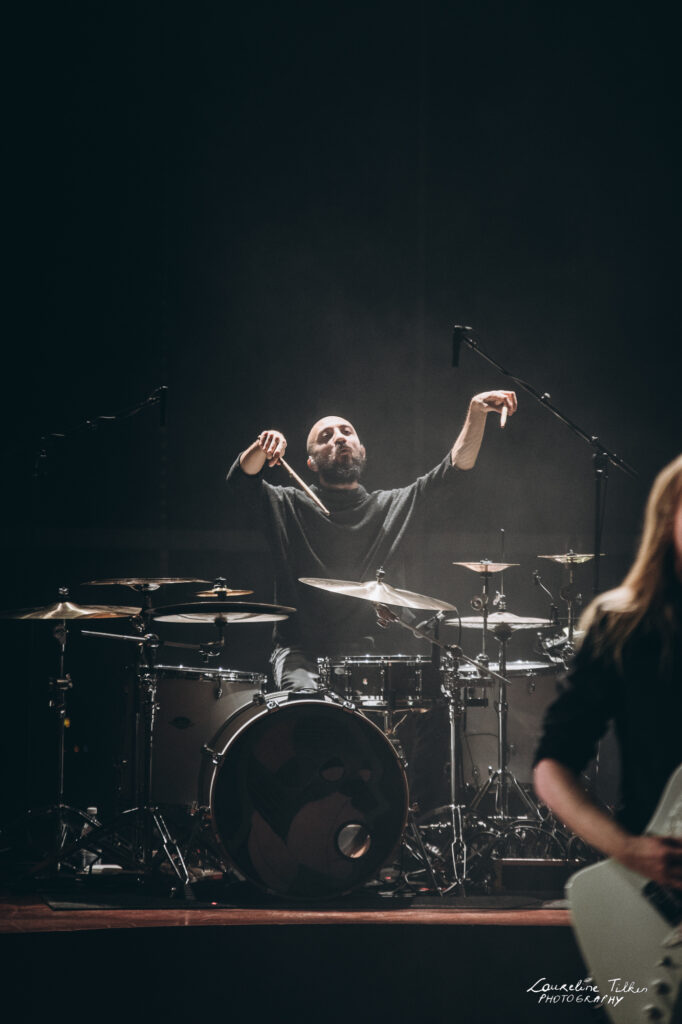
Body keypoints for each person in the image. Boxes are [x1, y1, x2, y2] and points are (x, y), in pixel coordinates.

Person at [226, 390, 517, 690]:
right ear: (311, 462)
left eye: (346, 431)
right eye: (326, 436)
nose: (339, 438)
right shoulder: (288, 504)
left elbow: (452, 471)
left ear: (362, 451)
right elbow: (240, 481)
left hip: (372, 652)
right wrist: (262, 446)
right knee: (306, 704)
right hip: (302, 653)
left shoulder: (391, 507)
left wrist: (476, 413)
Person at [533, 453, 682, 890]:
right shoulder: (622, 627)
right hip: (659, 891)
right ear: (668, 519)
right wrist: (630, 851)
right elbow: (552, 766)